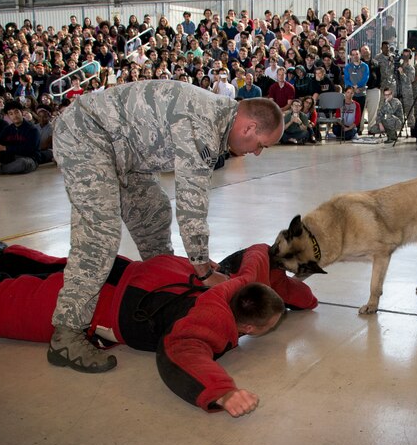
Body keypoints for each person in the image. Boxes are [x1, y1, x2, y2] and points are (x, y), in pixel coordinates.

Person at [0, 199, 317, 418]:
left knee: (51, 266)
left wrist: (302, 296)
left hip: (119, 272)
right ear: (249, 329)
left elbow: (261, 254)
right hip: (91, 306)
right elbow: (183, 353)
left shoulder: (236, 280)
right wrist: (221, 390)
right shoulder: (212, 321)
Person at [50, 80, 284, 373]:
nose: (258, 152)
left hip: (123, 150)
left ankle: (158, 282)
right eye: (261, 145)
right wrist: (204, 270)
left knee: (154, 212)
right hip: (86, 134)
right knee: (100, 234)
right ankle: (66, 334)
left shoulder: (218, 118)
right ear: (249, 128)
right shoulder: (205, 126)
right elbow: (191, 205)